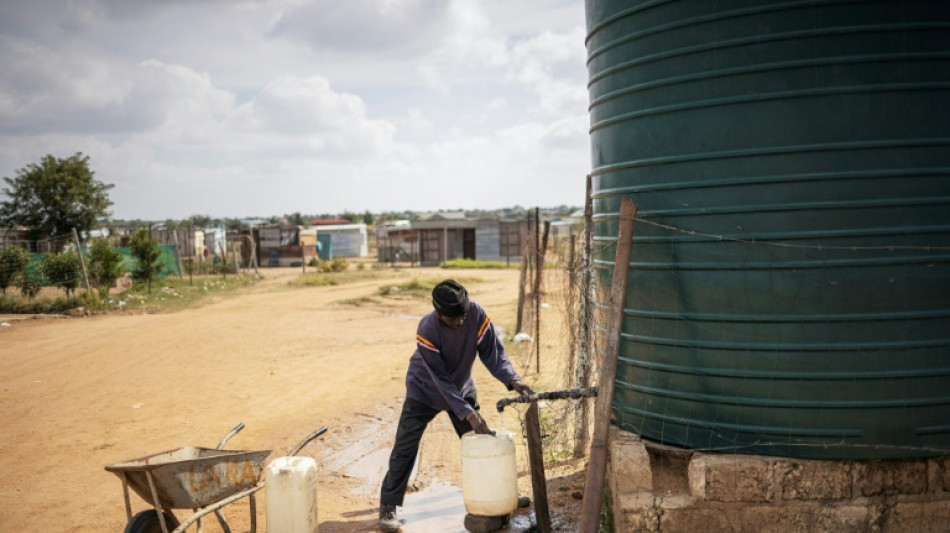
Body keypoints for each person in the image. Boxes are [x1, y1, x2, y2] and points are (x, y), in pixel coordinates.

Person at [378, 279, 534, 532]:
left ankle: (500, 495)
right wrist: (468, 413)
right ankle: (388, 507)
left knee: (482, 442)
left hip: (461, 386)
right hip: (424, 390)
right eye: (453, 319)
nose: (460, 322)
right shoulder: (427, 329)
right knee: (405, 448)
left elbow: (492, 352)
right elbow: (440, 380)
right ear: (439, 313)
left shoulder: (475, 313)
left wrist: (512, 379)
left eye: (463, 316)